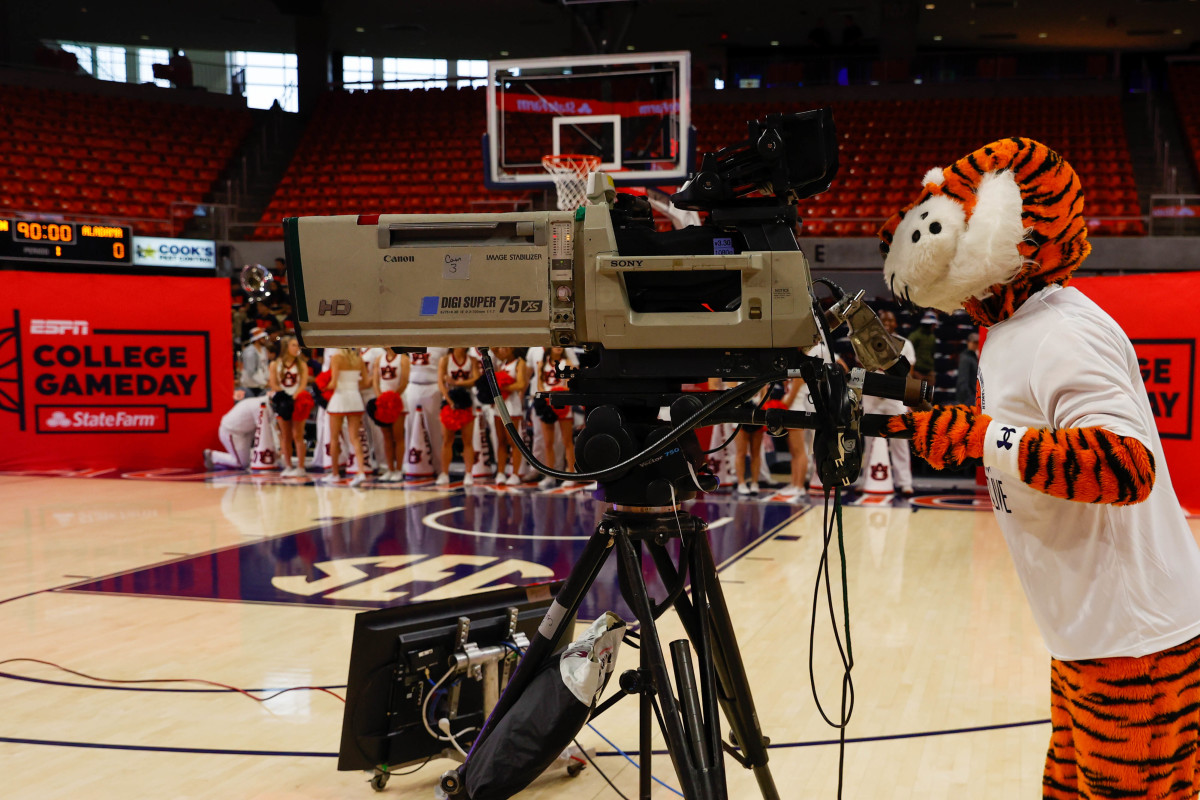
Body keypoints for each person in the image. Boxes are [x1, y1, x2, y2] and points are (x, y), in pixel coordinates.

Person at [878, 136, 1200, 796]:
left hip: (1135, 642)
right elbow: (1019, 447)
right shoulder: (1014, 328)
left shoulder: (1061, 332)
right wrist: (966, 438)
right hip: (1089, 630)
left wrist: (978, 437)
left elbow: (1124, 469)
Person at [325, 347, 370, 487]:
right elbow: (366, 383)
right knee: (355, 438)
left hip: (339, 398)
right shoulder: (359, 359)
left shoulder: (336, 358)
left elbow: (333, 383)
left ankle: (335, 474)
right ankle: (361, 471)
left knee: (334, 438)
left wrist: (322, 387)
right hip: (355, 398)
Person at [536, 346, 579, 489]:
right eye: (555, 345)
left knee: (567, 441)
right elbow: (539, 386)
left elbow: (570, 386)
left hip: (562, 404)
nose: (559, 347)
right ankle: (550, 476)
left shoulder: (567, 363)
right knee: (548, 442)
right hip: (548, 404)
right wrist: (546, 399)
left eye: (561, 345)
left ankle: (571, 474)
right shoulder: (542, 363)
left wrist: (557, 393)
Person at [436, 348, 481, 486]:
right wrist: (450, 402)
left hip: (466, 401)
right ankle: (444, 473)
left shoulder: (472, 360)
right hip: (449, 402)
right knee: (447, 440)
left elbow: (476, 380)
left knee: (467, 440)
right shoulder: (445, 360)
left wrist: (457, 383)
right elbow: (440, 383)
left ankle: (468, 473)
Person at [403, 348, 448, 476]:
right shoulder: (411, 340)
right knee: (410, 426)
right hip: (413, 385)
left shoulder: (441, 346)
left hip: (432, 386)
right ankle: (408, 463)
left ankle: (439, 466)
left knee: (434, 428)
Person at [269, 335, 309, 477]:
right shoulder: (275, 364)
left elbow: (303, 384)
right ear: (286, 347)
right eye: (294, 345)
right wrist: (283, 396)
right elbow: (273, 383)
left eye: (298, 346)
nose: (297, 348)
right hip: (282, 401)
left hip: (297, 401)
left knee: (298, 435)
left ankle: (301, 466)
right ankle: (288, 465)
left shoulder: (302, 364)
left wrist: (294, 397)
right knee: (285, 436)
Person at [490, 346, 529, 486]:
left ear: (513, 347)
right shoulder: (502, 363)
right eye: (501, 347)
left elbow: (521, 384)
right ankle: (500, 472)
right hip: (500, 405)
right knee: (500, 440)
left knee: (513, 442)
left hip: (512, 406)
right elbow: (491, 349)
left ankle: (515, 473)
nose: (502, 349)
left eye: (505, 346)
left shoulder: (520, 363)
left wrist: (501, 387)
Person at [373, 349, 410, 482]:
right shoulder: (379, 358)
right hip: (383, 402)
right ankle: (390, 469)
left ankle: (399, 469)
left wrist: (392, 398)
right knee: (386, 437)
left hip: (398, 402)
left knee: (398, 436)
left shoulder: (403, 359)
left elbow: (404, 382)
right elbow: (375, 381)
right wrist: (380, 398)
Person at [205, 395, 267, 470]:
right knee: (242, 464)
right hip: (232, 432)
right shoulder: (259, 406)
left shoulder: (260, 402)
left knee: (249, 461)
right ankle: (213, 456)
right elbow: (263, 430)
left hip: (245, 432)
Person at [907, 311, 938, 386]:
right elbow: (908, 352)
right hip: (917, 371)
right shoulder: (915, 336)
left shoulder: (932, 337)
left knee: (929, 395)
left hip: (929, 371)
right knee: (916, 395)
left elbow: (932, 353)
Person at [240, 328, 270, 397]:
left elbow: (264, 366)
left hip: (261, 385)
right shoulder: (250, 352)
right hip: (251, 386)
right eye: (262, 338)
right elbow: (251, 372)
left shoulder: (264, 349)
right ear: (257, 339)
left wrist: (267, 379)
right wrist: (264, 383)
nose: (264, 339)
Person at [955, 332, 980, 405]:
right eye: (974, 342)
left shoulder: (973, 356)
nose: (975, 344)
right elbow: (963, 380)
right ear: (968, 342)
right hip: (968, 398)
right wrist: (969, 398)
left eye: (977, 342)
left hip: (972, 396)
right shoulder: (966, 358)